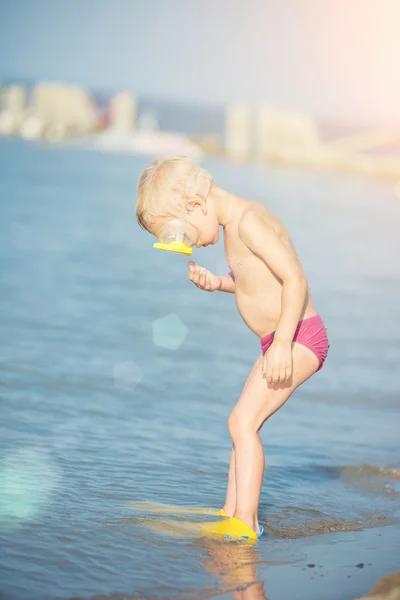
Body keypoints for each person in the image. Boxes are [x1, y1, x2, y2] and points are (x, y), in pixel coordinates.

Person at [136, 157, 329, 540]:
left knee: (241, 422)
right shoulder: (232, 225)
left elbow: (295, 279)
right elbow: (254, 281)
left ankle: (245, 522)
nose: (186, 243)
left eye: (182, 233)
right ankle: (230, 511)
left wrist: (282, 346)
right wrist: (218, 283)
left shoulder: (249, 221)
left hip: (298, 338)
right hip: (280, 340)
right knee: (242, 423)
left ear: (196, 205)